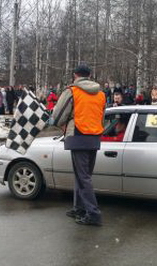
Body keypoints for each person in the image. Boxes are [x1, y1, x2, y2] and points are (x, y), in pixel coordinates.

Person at [52, 63, 106, 226]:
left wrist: (62, 124)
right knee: (83, 176)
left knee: (83, 177)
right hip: (94, 137)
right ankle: (79, 208)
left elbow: (58, 116)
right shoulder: (101, 94)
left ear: (75, 75)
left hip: (78, 135)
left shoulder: (72, 91)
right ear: (89, 76)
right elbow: (102, 117)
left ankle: (93, 213)